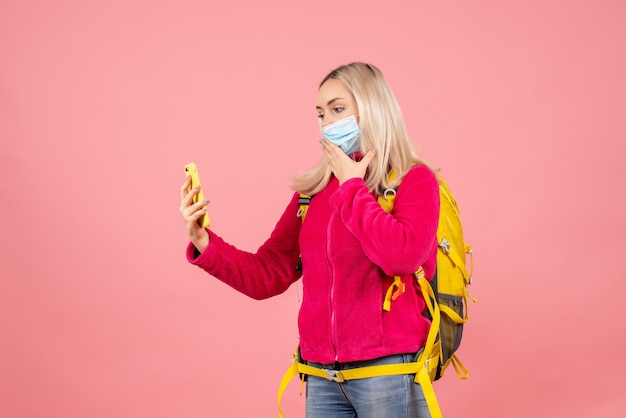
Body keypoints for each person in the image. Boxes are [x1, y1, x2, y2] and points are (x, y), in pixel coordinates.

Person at [179, 62, 440, 418]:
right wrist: (204, 241)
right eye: (320, 114)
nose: (328, 123)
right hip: (320, 378)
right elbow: (267, 274)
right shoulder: (313, 194)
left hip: (388, 373)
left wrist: (352, 187)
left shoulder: (413, 180)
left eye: (337, 109)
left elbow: (401, 257)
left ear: (373, 109)